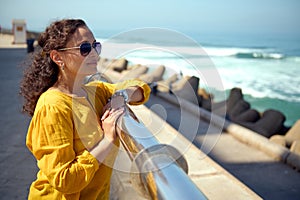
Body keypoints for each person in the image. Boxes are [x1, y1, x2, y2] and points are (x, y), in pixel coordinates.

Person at [20, 19, 150, 199]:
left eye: (95, 46)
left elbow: (140, 88)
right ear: (58, 57)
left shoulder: (97, 91)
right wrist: (107, 140)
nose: (94, 54)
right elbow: (64, 180)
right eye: (84, 49)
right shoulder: (53, 105)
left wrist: (121, 97)